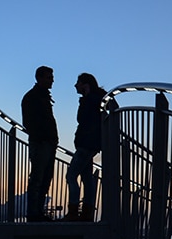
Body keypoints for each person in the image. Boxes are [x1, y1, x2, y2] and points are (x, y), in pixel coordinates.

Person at [63, 72, 116, 221]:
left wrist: (85, 99)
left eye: (78, 82)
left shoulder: (91, 101)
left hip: (86, 144)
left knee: (71, 176)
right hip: (90, 144)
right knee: (87, 178)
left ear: (85, 85)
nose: (75, 85)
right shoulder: (97, 100)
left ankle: (73, 212)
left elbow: (83, 120)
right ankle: (87, 213)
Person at [21, 66, 59, 222]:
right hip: (41, 142)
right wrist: (44, 137)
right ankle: (33, 213)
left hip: (48, 142)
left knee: (45, 177)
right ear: (40, 78)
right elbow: (29, 123)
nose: (52, 80)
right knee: (37, 178)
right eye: (49, 77)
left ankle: (37, 212)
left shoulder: (42, 96)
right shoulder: (32, 97)